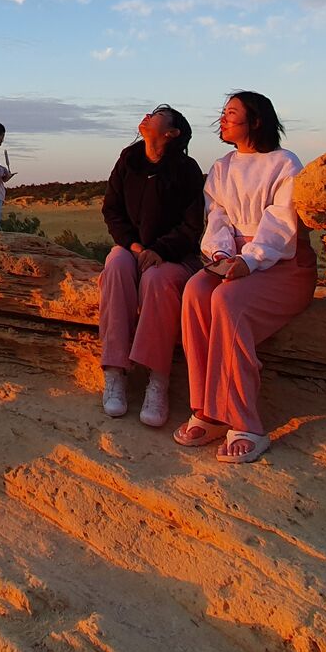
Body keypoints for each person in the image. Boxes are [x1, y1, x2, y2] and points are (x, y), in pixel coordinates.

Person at [174, 91, 317, 465]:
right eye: (223, 113)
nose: (222, 120)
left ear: (256, 121)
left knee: (227, 300)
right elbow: (217, 216)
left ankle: (246, 422)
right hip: (234, 259)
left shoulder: (285, 163)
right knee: (194, 291)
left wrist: (249, 261)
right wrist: (222, 253)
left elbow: (281, 224)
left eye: (231, 114)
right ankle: (209, 410)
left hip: (283, 265)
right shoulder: (222, 167)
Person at [97, 104, 206, 428]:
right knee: (116, 265)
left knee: (158, 281)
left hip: (174, 255)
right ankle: (115, 372)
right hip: (132, 248)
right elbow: (111, 210)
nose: (148, 115)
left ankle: (157, 381)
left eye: (158, 115)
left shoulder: (186, 170)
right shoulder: (128, 160)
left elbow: (191, 225)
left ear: (172, 133)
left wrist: (159, 250)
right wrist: (134, 246)